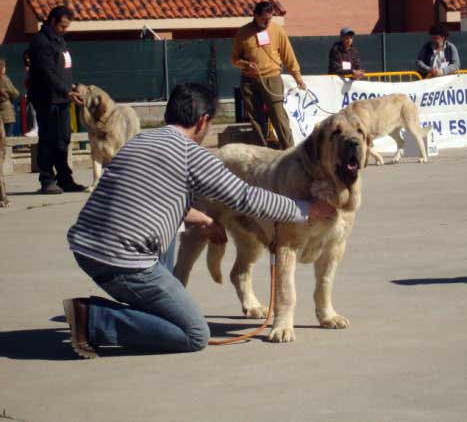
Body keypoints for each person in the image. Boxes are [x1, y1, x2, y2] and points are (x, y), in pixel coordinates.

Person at [63, 83, 336, 359]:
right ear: (203, 121)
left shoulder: (141, 141)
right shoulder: (190, 155)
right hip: (121, 262)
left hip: (85, 248)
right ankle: (92, 320)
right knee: (194, 333)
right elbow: (246, 197)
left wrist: (204, 220)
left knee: (169, 250)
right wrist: (305, 209)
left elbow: (154, 198)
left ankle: (151, 306)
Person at [26, 5, 85, 194]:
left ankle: (65, 178)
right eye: (63, 26)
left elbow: (62, 69)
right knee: (48, 139)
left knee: (63, 140)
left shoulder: (59, 41)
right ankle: (47, 179)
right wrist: (66, 91)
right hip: (47, 99)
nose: (65, 30)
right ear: (52, 21)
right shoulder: (42, 42)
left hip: (62, 99)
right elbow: (48, 73)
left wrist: (71, 89)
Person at [231, 1, 306, 150]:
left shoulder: (277, 30)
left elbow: (288, 55)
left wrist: (297, 77)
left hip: (273, 79)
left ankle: (289, 151)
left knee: (279, 117)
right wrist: (246, 64)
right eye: (264, 19)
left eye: (270, 19)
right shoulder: (243, 33)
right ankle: (261, 152)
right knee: (256, 120)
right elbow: (234, 59)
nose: (267, 22)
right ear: (255, 15)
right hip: (249, 81)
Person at [0, 58, 20, 137]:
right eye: (4, 66)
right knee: (8, 138)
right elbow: (15, 93)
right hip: (6, 111)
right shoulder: (4, 79)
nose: (5, 68)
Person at [22, 52, 38, 138]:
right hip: (30, 91)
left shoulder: (34, 67)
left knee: (35, 112)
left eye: (29, 58)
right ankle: (35, 128)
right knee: (32, 111)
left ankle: (36, 129)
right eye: (26, 58)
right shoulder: (27, 68)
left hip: (35, 91)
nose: (27, 60)